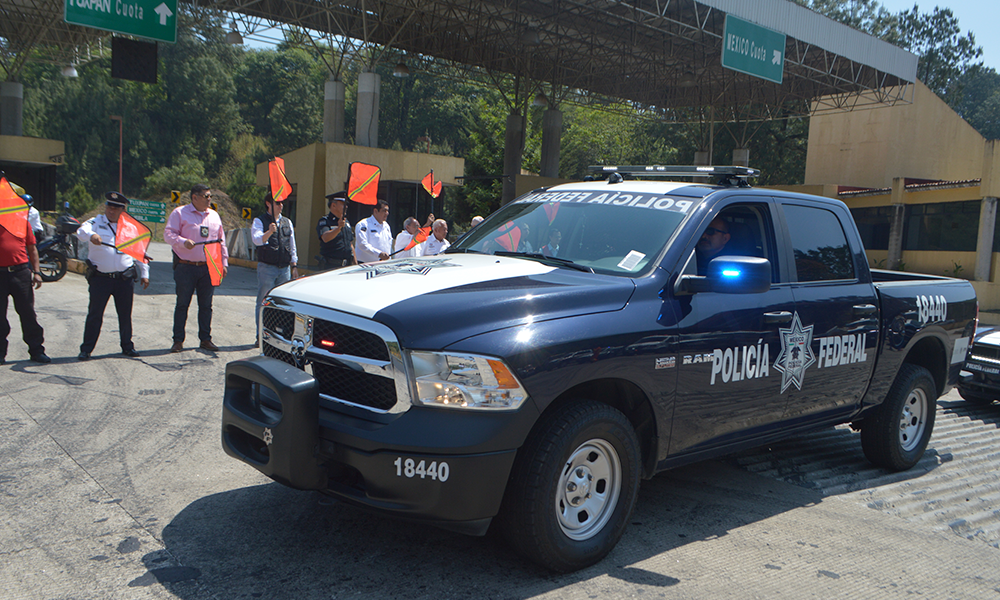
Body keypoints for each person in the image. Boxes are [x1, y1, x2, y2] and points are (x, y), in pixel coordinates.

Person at [76, 192, 150, 360]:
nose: (111, 210)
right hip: (100, 278)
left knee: (125, 315)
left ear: (123, 210)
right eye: (109, 206)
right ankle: (86, 349)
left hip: (124, 278)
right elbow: (81, 232)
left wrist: (145, 273)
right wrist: (91, 236)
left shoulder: (131, 228)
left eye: (116, 208)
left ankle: (127, 346)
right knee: (95, 314)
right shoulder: (95, 222)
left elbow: (140, 253)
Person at [165, 183, 228, 353]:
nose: (210, 199)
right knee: (182, 305)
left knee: (206, 305)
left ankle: (205, 339)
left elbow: (221, 241)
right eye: (206, 196)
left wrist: (224, 262)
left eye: (210, 196)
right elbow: (168, 234)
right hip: (186, 267)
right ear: (195, 197)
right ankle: (178, 340)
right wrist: (182, 242)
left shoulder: (214, 216)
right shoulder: (179, 213)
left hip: (208, 267)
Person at [0, 202, 49, 365]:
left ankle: (36, 350)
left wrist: (36, 272)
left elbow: (32, 248)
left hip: (20, 272)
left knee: (28, 313)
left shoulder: (21, 221)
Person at [252, 191, 298, 344]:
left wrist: (294, 265)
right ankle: (261, 336)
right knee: (264, 302)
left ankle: (279, 337)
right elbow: (257, 240)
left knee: (282, 304)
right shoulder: (260, 221)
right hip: (267, 268)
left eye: (281, 202)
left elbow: (292, 245)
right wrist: (269, 232)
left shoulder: (287, 222)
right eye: (277, 203)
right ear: (268, 204)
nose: (281, 205)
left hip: (284, 268)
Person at [316, 192, 355, 270]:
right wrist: (338, 228)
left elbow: (350, 244)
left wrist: (355, 263)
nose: (346, 207)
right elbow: (325, 238)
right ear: (333, 205)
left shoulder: (346, 222)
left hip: (347, 265)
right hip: (331, 265)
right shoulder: (325, 221)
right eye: (343, 204)